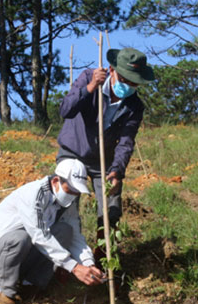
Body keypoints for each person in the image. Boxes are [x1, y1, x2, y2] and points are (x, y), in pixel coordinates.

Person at [0, 159, 105, 304]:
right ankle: (4, 291)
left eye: (76, 193)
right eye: (70, 190)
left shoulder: (67, 202)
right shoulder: (33, 194)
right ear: (56, 180)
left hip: (26, 253)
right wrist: (74, 267)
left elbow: (75, 235)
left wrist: (88, 263)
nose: (73, 196)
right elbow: (39, 236)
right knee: (20, 237)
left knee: (65, 231)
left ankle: (29, 286)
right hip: (3, 255)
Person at [56, 47, 155, 243]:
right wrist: (91, 86)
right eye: (125, 80)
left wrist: (117, 170)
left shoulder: (134, 106)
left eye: (134, 83)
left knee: (111, 208)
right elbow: (66, 110)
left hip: (104, 159)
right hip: (74, 152)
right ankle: (66, 261)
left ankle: (103, 259)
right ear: (112, 70)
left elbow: (126, 141)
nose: (128, 86)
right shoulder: (88, 78)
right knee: (66, 206)